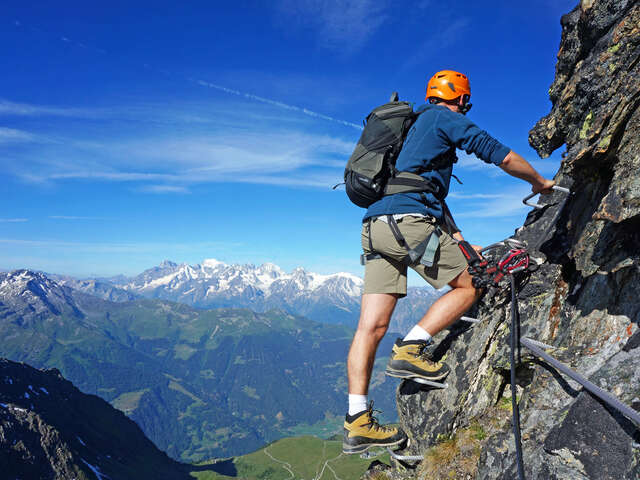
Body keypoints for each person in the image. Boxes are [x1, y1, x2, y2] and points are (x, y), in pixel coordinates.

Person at [342, 70, 555, 454]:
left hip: (375, 227)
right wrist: (540, 183)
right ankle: (410, 348)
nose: (465, 108)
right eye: (465, 103)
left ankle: (357, 420)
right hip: (410, 225)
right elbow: (501, 155)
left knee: (368, 327)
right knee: (467, 287)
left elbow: (422, 190)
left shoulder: (409, 128)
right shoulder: (447, 118)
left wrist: (457, 239)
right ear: (460, 99)